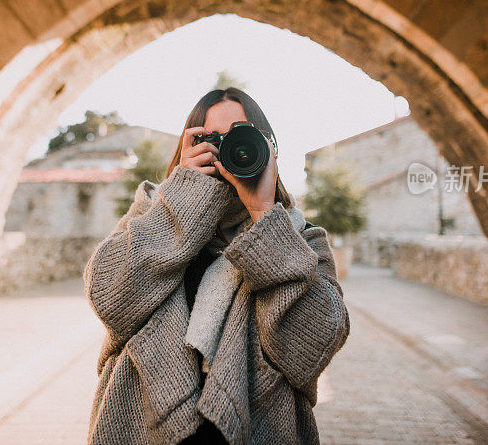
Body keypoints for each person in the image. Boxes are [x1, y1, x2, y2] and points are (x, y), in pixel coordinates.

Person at [83, 87, 350, 444]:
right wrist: (183, 201)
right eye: (214, 139)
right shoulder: (150, 217)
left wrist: (264, 216)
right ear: (187, 148)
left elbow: (313, 348)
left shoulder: (301, 239)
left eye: (242, 137)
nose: (229, 150)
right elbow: (109, 299)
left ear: (269, 150)